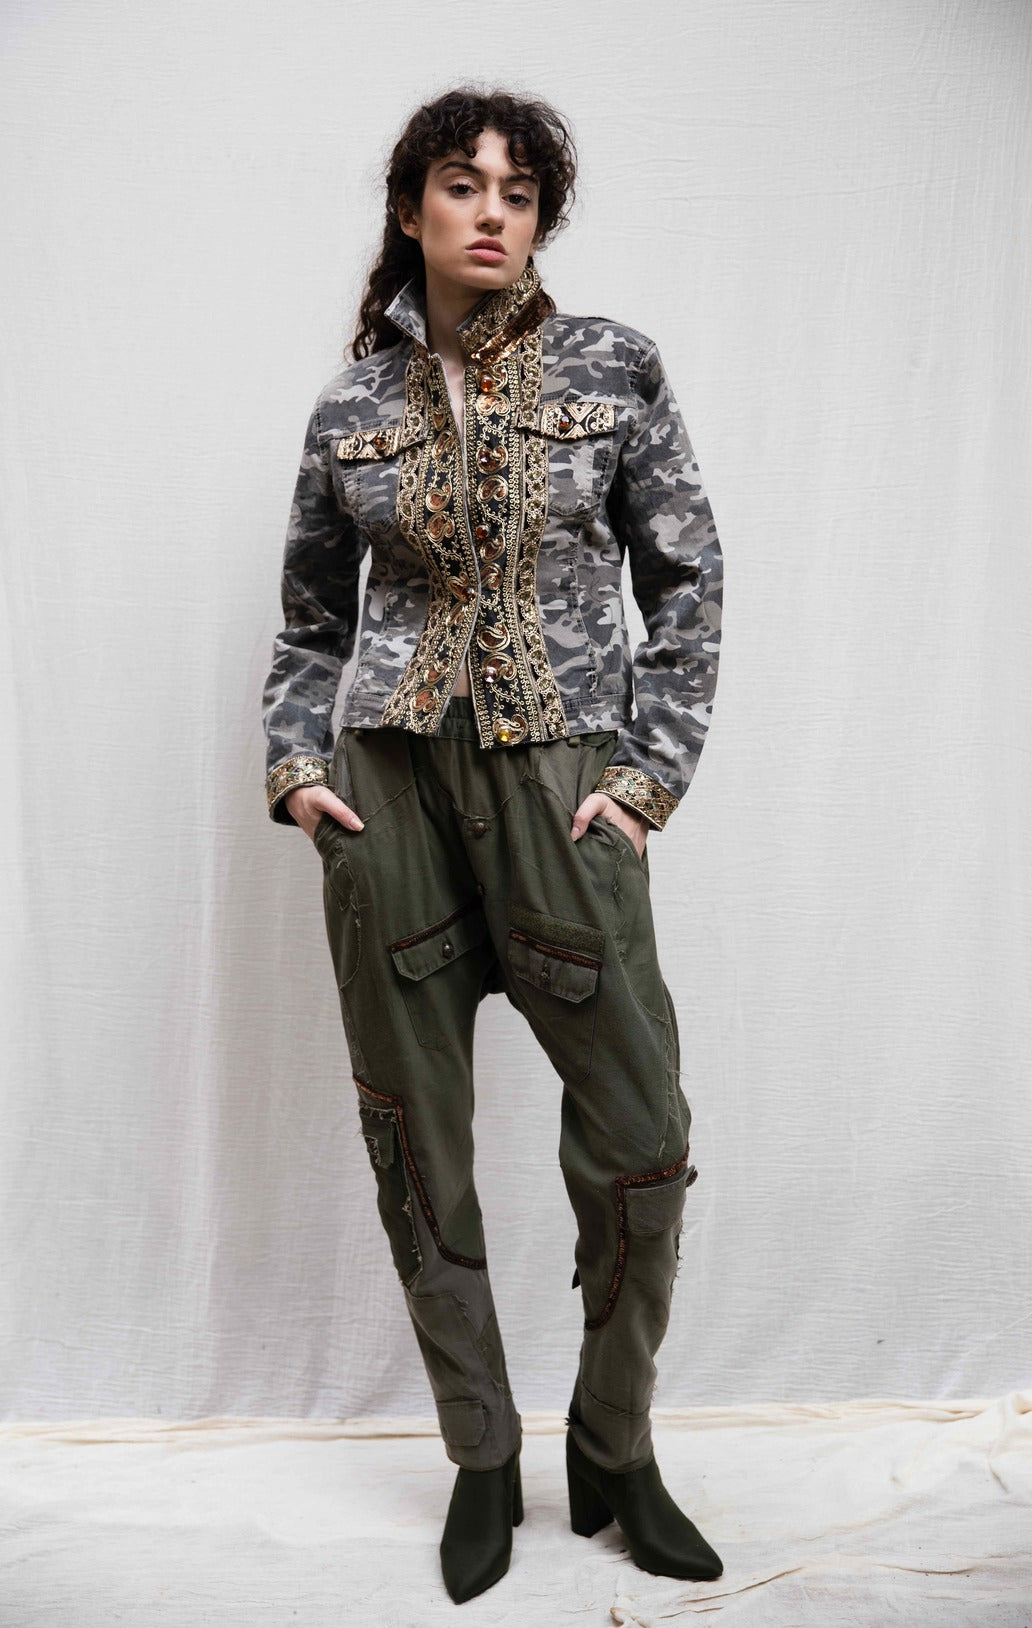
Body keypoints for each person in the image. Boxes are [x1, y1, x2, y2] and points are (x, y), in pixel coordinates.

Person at [260, 86, 724, 1604]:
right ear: (412, 209)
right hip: (389, 796)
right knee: (416, 1143)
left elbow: (689, 583)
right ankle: (479, 1455)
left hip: (562, 789)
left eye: (519, 194)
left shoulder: (615, 365)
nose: (491, 213)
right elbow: (311, 619)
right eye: (463, 185)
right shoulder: (351, 406)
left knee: (643, 1141)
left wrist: (643, 780)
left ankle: (614, 1445)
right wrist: (299, 773)